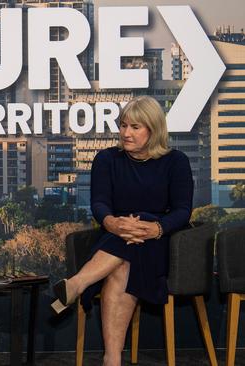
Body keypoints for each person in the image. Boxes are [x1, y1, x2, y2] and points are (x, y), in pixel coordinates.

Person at [51, 96, 194, 366]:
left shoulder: (176, 161)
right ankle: (113, 359)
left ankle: (77, 283)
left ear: (153, 129)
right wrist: (112, 223)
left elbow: (183, 210)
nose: (126, 133)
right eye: (123, 125)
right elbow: (100, 203)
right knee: (123, 266)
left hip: (161, 244)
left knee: (143, 224)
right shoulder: (107, 159)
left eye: (135, 127)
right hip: (115, 237)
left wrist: (155, 227)